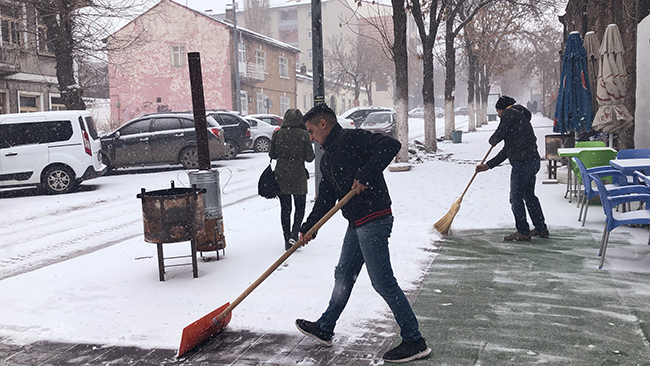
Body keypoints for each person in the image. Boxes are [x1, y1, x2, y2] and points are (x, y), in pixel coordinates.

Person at [294, 104, 431, 363]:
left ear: (324, 124)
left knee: (382, 281)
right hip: (357, 222)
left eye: (311, 131)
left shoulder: (351, 138)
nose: (310, 137)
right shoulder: (329, 155)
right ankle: (325, 326)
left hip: (375, 218)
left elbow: (391, 146)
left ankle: (414, 340)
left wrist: (366, 174)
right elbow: (326, 196)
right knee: (343, 275)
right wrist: (310, 226)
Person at [475, 96, 549, 241]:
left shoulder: (509, 114)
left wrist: (493, 139)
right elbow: (508, 150)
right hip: (532, 161)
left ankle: (523, 231)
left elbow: (500, 134)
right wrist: (488, 165)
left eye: (498, 113)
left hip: (522, 163)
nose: (499, 116)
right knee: (529, 196)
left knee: (516, 197)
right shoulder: (521, 118)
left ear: (501, 109)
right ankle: (541, 228)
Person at [269, 109, 315, 250]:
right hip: (298, 175)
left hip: (281, 174)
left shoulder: (278, 134)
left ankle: (286, 237)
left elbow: (272, 154)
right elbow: (310, 157)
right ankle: (294, 235)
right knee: (299, 207)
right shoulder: (303, 135)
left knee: (285, 208)